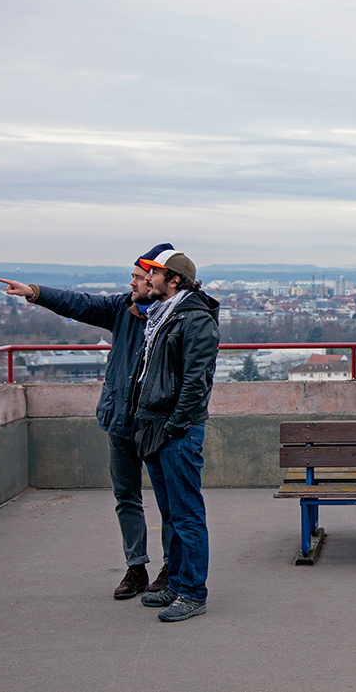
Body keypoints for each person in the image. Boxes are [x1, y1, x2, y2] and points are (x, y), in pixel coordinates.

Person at [0, 243, 174, 600]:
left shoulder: (174, 316)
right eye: (133, 277)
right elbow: (79, 304)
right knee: (127, 496)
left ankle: (171, 568)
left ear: (158, 280)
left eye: (139, 278)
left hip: (155, 424)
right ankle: (136, 567)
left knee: (169, 501)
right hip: (120, 419)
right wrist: (35, 293)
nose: (133, 283)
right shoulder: (121, 311)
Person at [133, 249, 220, 622]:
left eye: (154, 273)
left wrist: (173, 427)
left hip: (176, 430)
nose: (146, 277)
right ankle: (177, 583)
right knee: (171, 514)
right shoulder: (160, 316)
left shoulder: (194, 320)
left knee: (186, 514)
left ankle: (193, 593)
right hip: (155, 424)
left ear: (174, 280)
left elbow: (195, 383)